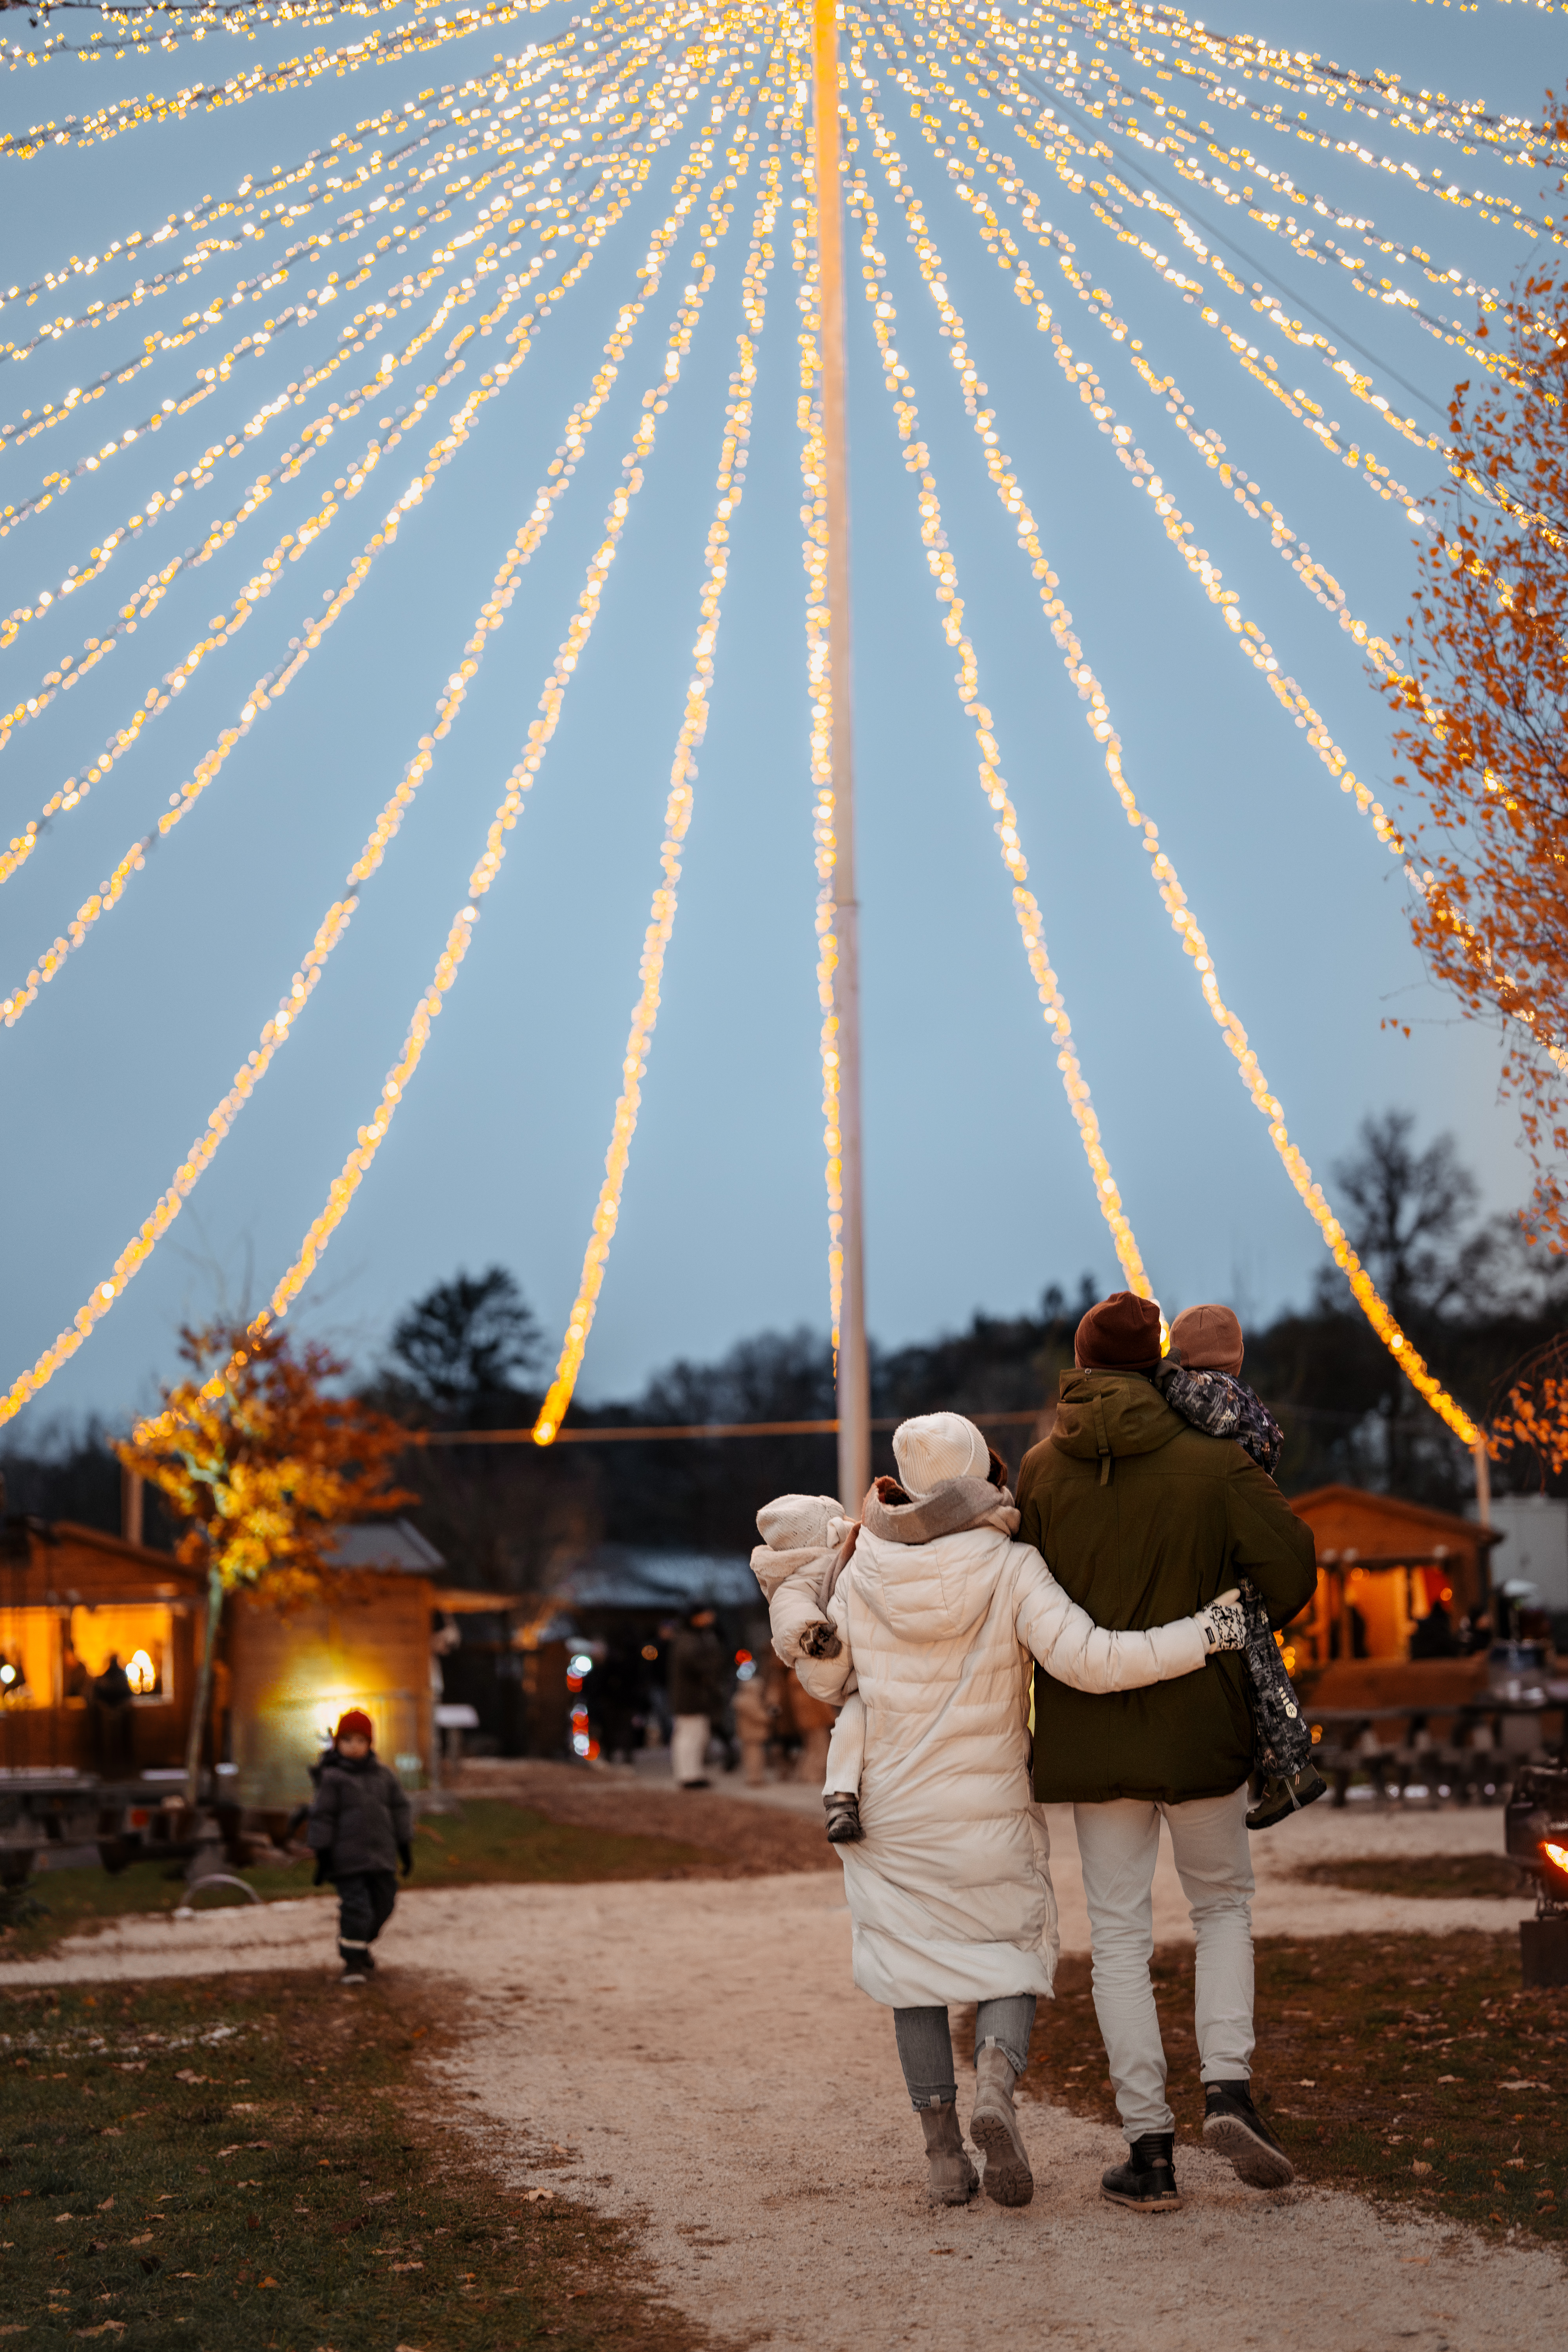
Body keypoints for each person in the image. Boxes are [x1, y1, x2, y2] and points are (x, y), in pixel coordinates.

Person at [796, 1410, 1246, 2210]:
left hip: (889, 1815)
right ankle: (995, 2087)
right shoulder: (1011, 1566)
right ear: (979, 1471)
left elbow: (827, 1681)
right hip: (990, 1808)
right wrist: (1204, 1633)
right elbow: (1093, 1662)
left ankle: (943, 2157)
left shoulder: (860, 1569)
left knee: (911, 1974)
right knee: (1009, 1958)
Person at [1016, 1291, 1318, 2213]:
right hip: (1202, 1728)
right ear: (1157, 1362)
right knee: (1222, 1908)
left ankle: (1147, 2152)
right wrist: (1232, 1616)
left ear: (1080, 1366)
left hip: (1089, 1738)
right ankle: (1227, 2091)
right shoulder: (1215, 1460)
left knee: (1117, 1936)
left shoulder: (1040, 1470)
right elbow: (1291, 1569)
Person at [1158, 1303, 1327, 1831]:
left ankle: (1291, 1769)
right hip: (1243, 1535)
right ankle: (1288, 1770)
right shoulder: (1245, 1396)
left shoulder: (1217, 1394)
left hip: (1234, 1542)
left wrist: (1162, 1375)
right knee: (1262, 1662)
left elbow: (1209, 1412)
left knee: (1257, 1665)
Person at [750, 1492, 867, 1840]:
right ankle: (840, 1796)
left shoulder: (839, 1556)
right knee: (853, 1717)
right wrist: (810, 1635)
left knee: (857, 1716)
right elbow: (788, 1612)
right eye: (834, 1526)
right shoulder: (798, 1576)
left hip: (848, 1655)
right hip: (824, 1657)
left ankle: (843, 1795)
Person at [306, 1708, 413, 1985]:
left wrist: (405, 1847)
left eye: (360, 1741)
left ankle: (360, 1945)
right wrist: (323, 1854)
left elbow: (400, 1809)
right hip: (347, 1860)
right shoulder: (333, 1779)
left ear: (370, 1743)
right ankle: (353, 1962)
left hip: (381, 1857)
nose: (354, 1746)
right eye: (347, 1740)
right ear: (337, 1743)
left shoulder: (384, 1776)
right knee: (357, 1908)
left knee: (384, 1903)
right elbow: (323, 1816)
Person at [668, 1606, 725, 1789]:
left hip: (695, 1697)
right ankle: (688, 1776)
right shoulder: (688, 1639)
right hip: (690, 1698)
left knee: (697, 1736)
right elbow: (696, 1664)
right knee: (689, 1736)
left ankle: (693, 1774)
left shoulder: (695, 1637)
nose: (710, 1619)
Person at [92, 1652, 134, 1781]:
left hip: (120, 1717)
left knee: (120, 1742)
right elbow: (97, 1696)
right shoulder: (104, 1679)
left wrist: (117, 1711)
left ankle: (121, 1771)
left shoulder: (120, 1677)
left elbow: (127, 1696)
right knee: (107, 1743)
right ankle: (108, 1771)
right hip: (106, 1717)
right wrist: (108, 1711)